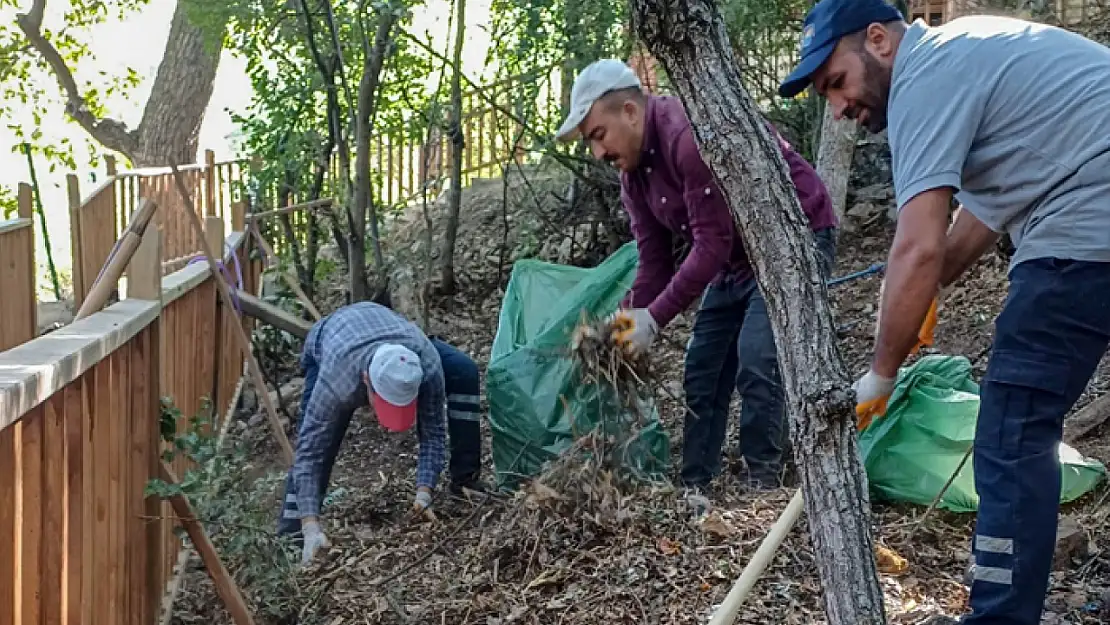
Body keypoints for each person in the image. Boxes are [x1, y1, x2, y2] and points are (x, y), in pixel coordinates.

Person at [778, 1, 1110, 623]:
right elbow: (983, 213)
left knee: (1013, 426)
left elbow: (918, 242)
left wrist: (882, 369)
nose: (840, 108)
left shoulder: (925, 77)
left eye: (837, 83)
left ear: (878, 40)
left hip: (1089, 215)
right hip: (1089, 200)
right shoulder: (965, 54)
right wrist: (929, 290)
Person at [555, 59, 839, 498]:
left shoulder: (688, 137)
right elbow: (654, 261)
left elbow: (711, 244)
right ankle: (694, 484)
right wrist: (629, 317)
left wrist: (656, 319)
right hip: (734, 258)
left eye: (598, 135)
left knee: (757, 358)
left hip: (792, 240)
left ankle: (762, 484)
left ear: (630, 111)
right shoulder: (633, 177)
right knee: (703, 365)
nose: (598, 152)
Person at [276, 301, 488, 564]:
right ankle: (293, 540)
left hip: (387, 328)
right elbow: (309, 455)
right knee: (320, 445)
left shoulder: (427, 365)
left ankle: (465, 481)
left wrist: (424, 494)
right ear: (367, 382)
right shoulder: (337, 382)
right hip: (333, 336)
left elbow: (433, 433)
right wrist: (310, 528)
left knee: (463, 370)